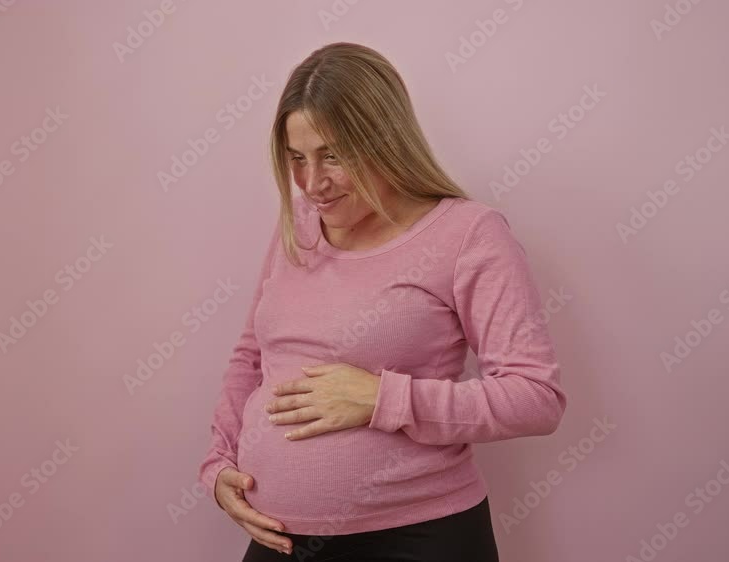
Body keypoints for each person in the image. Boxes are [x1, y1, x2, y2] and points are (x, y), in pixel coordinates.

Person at [198, 42, 567, 562]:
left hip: (418, 538)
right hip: (281, 538)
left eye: (332, 156)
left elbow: (535, 397)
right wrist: (218, 465)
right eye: (296, 158)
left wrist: (382, 399)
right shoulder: (297, 227)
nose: (311, 183)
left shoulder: (468, 235)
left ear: (385, 141)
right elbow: (252, 359)